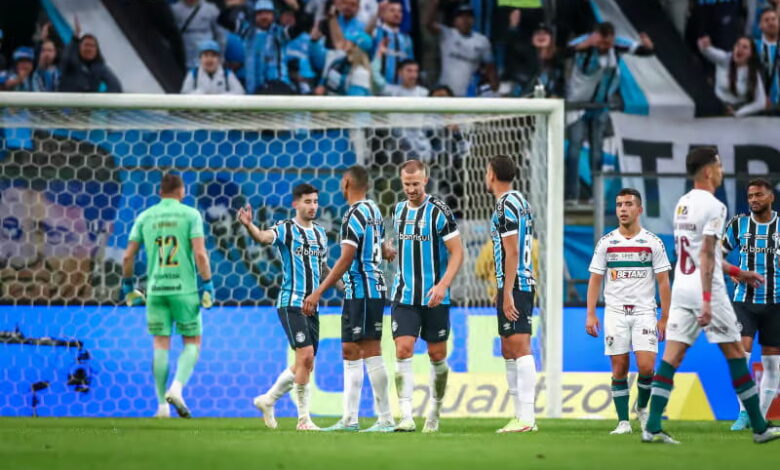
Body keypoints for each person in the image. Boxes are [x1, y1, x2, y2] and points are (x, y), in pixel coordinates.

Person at [641, 147, 780, 445]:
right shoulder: (715, 207)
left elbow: (699, 253)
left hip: (681, 286)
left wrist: (737, 272)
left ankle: (652, 426)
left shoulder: (683, 203)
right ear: (708, 170)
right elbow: (705, 254)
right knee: (735, 354)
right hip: (708, 291)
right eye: (717, 165)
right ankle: (759, 427)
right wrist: (707, 300)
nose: (721, 170)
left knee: (672, 356)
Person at [302, 166, 395, 433]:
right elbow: (377, 246)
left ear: (346, 182)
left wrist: (319, 291)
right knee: (350, 351)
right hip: (357, 291)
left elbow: (346, 257)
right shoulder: (374, 210)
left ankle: (386, 418)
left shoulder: (354, 214)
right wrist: (384, 250)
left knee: (371, 350)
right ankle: (349, 419)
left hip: (365, 290)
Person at [121, 173, 214, 419]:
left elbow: (127, 257)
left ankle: (161, 406)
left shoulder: (145, 216)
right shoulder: (191, 215)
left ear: (159, 192)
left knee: (161, 344)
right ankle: (177, 388)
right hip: (184, 290)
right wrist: (208, 283)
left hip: (156, 290)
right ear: (182, 191)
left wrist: (128, 286)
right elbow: (200, 254)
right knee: (192, 341)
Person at [237, 183, 328, 431]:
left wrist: (341, 283)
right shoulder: (286, 229)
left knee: (305, 364)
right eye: (307, 202)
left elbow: (323, 268)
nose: (312, 206)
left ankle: (268, 400)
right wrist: (249, 226)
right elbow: (263, 237)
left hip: (313, 306)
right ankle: (303, 420)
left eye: (315, 201)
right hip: (291, 302)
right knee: (305, 355)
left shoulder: (320, 233)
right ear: (295, 204)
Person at [385, 159, 464, 433]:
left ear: (425, 181)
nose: (411, 189)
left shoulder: (439, 212)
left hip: (435, 297)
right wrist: (387, 249)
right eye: (406, 184)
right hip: (404, 295)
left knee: (436, 355)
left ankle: (435, 410)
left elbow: (458, 252)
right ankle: (405, 416)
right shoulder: (397, 211)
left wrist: (442, 285)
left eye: (415, 184)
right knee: (403, 350)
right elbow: (395, 243)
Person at [586, 188, 672, 435]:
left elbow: (664, 282)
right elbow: (595, 279)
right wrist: (591, 313)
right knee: (619, 368)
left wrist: (665, 317)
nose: (622, 209)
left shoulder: (652, 242)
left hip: (645, 311)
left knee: (646, 367)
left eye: (628, 204)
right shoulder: (607, 243)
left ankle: (642, 408)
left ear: (639, 209)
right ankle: (623, 421)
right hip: (614, 312)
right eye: (619, 204)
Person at [565, 22, 654, 204]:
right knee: (574, 149)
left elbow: (644, 52)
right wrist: (587, 45)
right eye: (601, 43)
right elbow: (564, 52)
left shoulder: (616, 44)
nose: (605, 47)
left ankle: (595, 196)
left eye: (608, 43)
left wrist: (649, 46)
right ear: (595, 36)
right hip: (578, 104)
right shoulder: (585, 42)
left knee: (597, 151)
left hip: (600, 106)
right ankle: (570, 196)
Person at [485, 155, 539, 433]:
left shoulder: (507, 204)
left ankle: (527, 418)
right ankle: (520, 415)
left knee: (519, 347)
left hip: (515, 283)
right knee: (508, 348)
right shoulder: (521, 201)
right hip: (515, 282)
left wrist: (506, 292)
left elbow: (513, 251)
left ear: (492, 174)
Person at [723, 178, 780, 430]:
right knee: (741, 353)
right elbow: (716, 256)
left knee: (772, 362)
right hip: (743, 301)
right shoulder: (738, 224)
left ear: (771, 197)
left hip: (776, 303)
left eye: (758, 195)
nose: (753, 200)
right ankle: (744, 413)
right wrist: (735, 272)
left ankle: (758, 416)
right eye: (750, 196)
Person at [425, 1, 497, 97]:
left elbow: (490, 66)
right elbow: (429, 24)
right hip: (445, 91)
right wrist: (434, 3)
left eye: (468, 16)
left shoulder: (482, 41)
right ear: (454, 20)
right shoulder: (447, 34)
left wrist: (494, 85)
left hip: (469, 93)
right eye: (461, 17)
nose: (465, 20)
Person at [699, 35, 767, 117]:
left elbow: (761, 102)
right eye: (738, 45)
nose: (740, 49)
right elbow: (707, 51)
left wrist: (739, 113)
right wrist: (704, 45)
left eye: (745, 47)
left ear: (751, 54)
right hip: (717, 106)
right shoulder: (724, 59)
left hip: (738, 111)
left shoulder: (753, 72)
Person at [60, 19, 122, 93]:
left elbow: (115, 86)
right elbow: (65, 59)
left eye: (92, 46)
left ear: (97, 50)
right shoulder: (71, 64)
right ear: (79, 47)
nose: (89, 49)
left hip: (88, 104)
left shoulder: (99, 67)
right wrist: (75, 39)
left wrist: (101, 101)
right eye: (86, 45)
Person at [171, 0, 225, 69]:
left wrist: (220, 57)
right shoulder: (174, 9)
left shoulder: (211, 9)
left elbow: (220, 36)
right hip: (182, 55)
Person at [371, 1, 414, 86]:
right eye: (392, 10)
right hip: (378, 88)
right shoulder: (376, 33)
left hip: (400, 89)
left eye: (399, 11)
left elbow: (410, 63)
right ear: (383, 14)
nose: (396, 14)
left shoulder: (407, 39)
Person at [180, 40, 245, 94]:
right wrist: (200, 94)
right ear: (200, 59)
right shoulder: (193, 74)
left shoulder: (227, 74)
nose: (209, 59)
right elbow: (184, 95)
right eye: (206, 55)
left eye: (213, 55)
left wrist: (222, 97)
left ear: (219, 59)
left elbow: (240, 92)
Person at [755, 8, 779, 109]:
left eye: (773, 19)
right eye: (766, 20)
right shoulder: (753, 47)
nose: (770, 23)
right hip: (763, 105)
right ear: (760, 25)